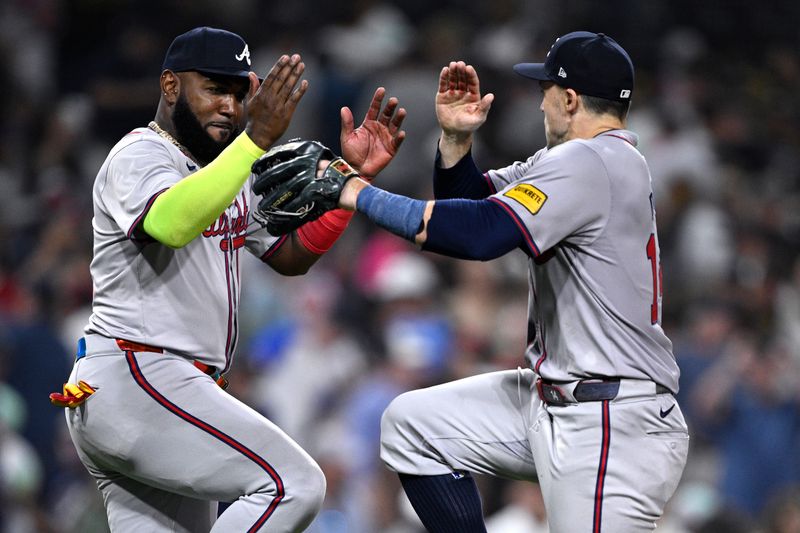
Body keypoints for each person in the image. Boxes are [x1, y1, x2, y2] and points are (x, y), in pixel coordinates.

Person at [330, 31, 689, 531]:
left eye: (545, 89)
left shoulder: (588, 161)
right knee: (414, 427)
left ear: (569, 99)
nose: (539, 103)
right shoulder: (579, 161)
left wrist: (356, 193)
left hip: (611, 422)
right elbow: (474, 206)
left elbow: (479, 238)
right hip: (557, 399)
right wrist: (456, 142)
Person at [50, 26, 405, 532]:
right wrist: (255, 140)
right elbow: (169, 224)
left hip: (159, 392)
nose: (230, 107)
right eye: (214, 89)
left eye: (240, 93)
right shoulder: (140, 154)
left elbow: (289, 255)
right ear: (170, 86)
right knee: (293, 485)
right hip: (139, 375)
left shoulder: (228, 170)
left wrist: (350, 181)